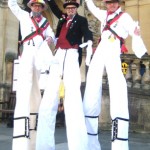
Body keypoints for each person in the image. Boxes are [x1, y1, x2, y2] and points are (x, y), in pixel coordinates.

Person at [83, 0, 147, 150]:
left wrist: (135, 32)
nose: (111, 5)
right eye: (109, 3)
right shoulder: (104, 14)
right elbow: (92, 7)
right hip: (101, 49)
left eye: (114, 3)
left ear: (118, 4)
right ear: (106, 4)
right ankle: (90, 141)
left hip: (112, 49)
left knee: (117, 84)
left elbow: (132, 29)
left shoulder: (124, 17)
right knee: (92, 83)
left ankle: (119, 143)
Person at [36, 0, 93, 150]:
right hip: (59, 54)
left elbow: (87, 32)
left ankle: (78, 145)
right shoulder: (62, 19)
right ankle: (44, 145)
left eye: (73, 8)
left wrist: (89, 41)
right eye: (68, 8)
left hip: (72, 54)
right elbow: (54, 9)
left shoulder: (81, 20)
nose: (70, 10)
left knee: (73, 98)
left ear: (76, 9)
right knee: (49, 97)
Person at [8, 0, 55, 149]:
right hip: (27, 52)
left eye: (39, 6)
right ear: (31, 7)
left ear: (42, 8)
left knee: (36, 88)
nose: (37, 8)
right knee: (24, 86)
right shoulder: (23, 15)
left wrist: (49, 38)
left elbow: (52, 36)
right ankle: (22, 128)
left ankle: (34, 128)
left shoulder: (46, 23)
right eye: (35, 5)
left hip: (39, 55)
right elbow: (12, 5)